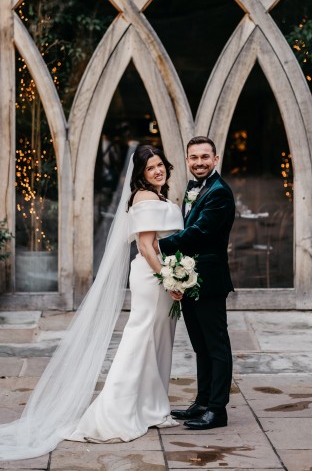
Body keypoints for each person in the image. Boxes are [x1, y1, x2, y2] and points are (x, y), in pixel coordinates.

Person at [0, 145, 183, 460]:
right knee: (140, 339)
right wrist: (168, 278)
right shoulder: (145, 198)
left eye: (160, 165)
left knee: (158, 340)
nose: (157, 171)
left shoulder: (159, 196)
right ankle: (115, 412)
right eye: (151, 167)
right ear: (140, 173)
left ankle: (152, 407)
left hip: (163, 275)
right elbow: (146, 246)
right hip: (153, 278)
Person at [158, 136, 235, 430]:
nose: (199, 162)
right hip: (189, 278)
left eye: (205, 157)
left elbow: (199, 233)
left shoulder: (219, 193)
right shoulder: (193, 188)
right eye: (194, 157)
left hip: (210, 280)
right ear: (187, 160)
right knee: (200, 346)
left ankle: (217, 410)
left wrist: (157, 246)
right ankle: (202, 402)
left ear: (215, 160)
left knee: (216, 346)